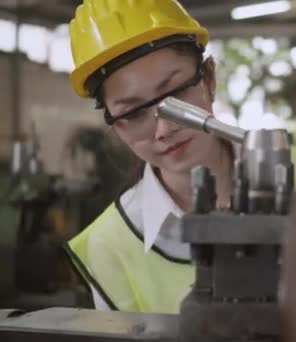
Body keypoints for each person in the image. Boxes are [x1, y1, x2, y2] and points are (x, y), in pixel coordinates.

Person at [63, 0, 236, 313]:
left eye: (177, 93)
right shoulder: (108, 246)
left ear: (209, 77)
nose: (165, 129)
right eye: (133, 113)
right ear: (114, 125)